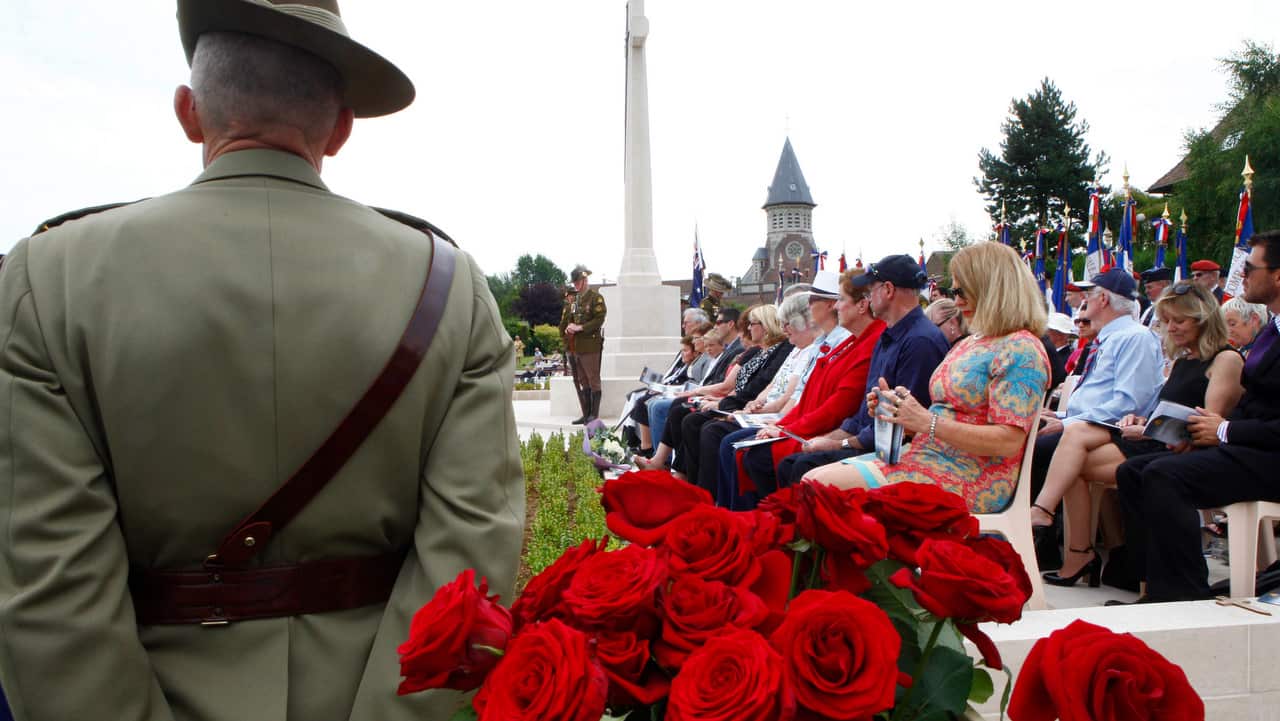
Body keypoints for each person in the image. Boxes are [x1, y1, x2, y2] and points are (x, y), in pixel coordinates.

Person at [0, 3, 524, 720]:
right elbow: (471, 558)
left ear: (189, 113)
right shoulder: (447, 285)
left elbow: (49, 591)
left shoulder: (48, 279)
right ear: (340, 128)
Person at [803, 242, 1050, 512]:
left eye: (961, 291)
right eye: (955, 291)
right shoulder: (973, 343)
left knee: (820, 487)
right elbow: (940, 417)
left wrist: (925, 421)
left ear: (992, 289)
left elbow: (1008, 441)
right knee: (813, 482)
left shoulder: (1022, 349)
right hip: (926, 457)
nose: (956, 301)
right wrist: (896, 411)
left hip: (968, 475)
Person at [1030, 282, 1244, 586]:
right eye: (1167, 320)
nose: (1170, 328)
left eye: (1179, 321)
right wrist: (1142, 420)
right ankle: (1084, 550)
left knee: (1073, 453)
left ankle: (1057, 527)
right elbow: (1164, 408)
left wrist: (1146, 427)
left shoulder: (1226, 359)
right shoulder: (1184, 361)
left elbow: (1207, 427)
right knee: (1072, 456)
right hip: (1157, 439)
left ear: (1204, 319)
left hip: (1181, 450)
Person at [1112, 230, 1280, 603]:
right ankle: (1153, 582)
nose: (1241, 275)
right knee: (1133, 471)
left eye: (1250, 267)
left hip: (1267, 457)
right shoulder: (1273, 329)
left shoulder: (1244, 346)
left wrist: (1223, 430)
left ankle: (1183, 592)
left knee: (1162, 474)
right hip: (1251, 448)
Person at [773, 255, 949, 485]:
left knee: (803, 467)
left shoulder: (919, 341)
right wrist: (832, 439)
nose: (868, 297)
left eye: (871, 289)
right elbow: (862, 415)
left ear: (887, 290)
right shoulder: (888, 336)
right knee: (794, 463)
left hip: (897, 452)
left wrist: (840, 443)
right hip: (876, 440)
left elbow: (903, 428)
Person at [724, 269, 885, 507]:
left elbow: (839, 404)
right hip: (816, 425)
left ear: (861, 306)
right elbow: (807, 395)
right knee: (737, 445)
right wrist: (782, 426)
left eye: (814, 300)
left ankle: (773, 520)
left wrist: (785, 429)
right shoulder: (851, 342)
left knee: (764, 458)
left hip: (834, 430)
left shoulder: (864, 342)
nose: (810, 307)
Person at [561, 264, 607, 424]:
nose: (576, 285)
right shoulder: (576, 300)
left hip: (590, 345)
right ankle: (586, 414)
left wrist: (580, 327)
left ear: (585, 280)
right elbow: (570, 319)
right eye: (574, 283)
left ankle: (594, 415)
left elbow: (599, 319)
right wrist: (569, 327)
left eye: (578, 282)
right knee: (583, 380)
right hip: (576, 346)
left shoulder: (596, 298)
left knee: (593, 379)